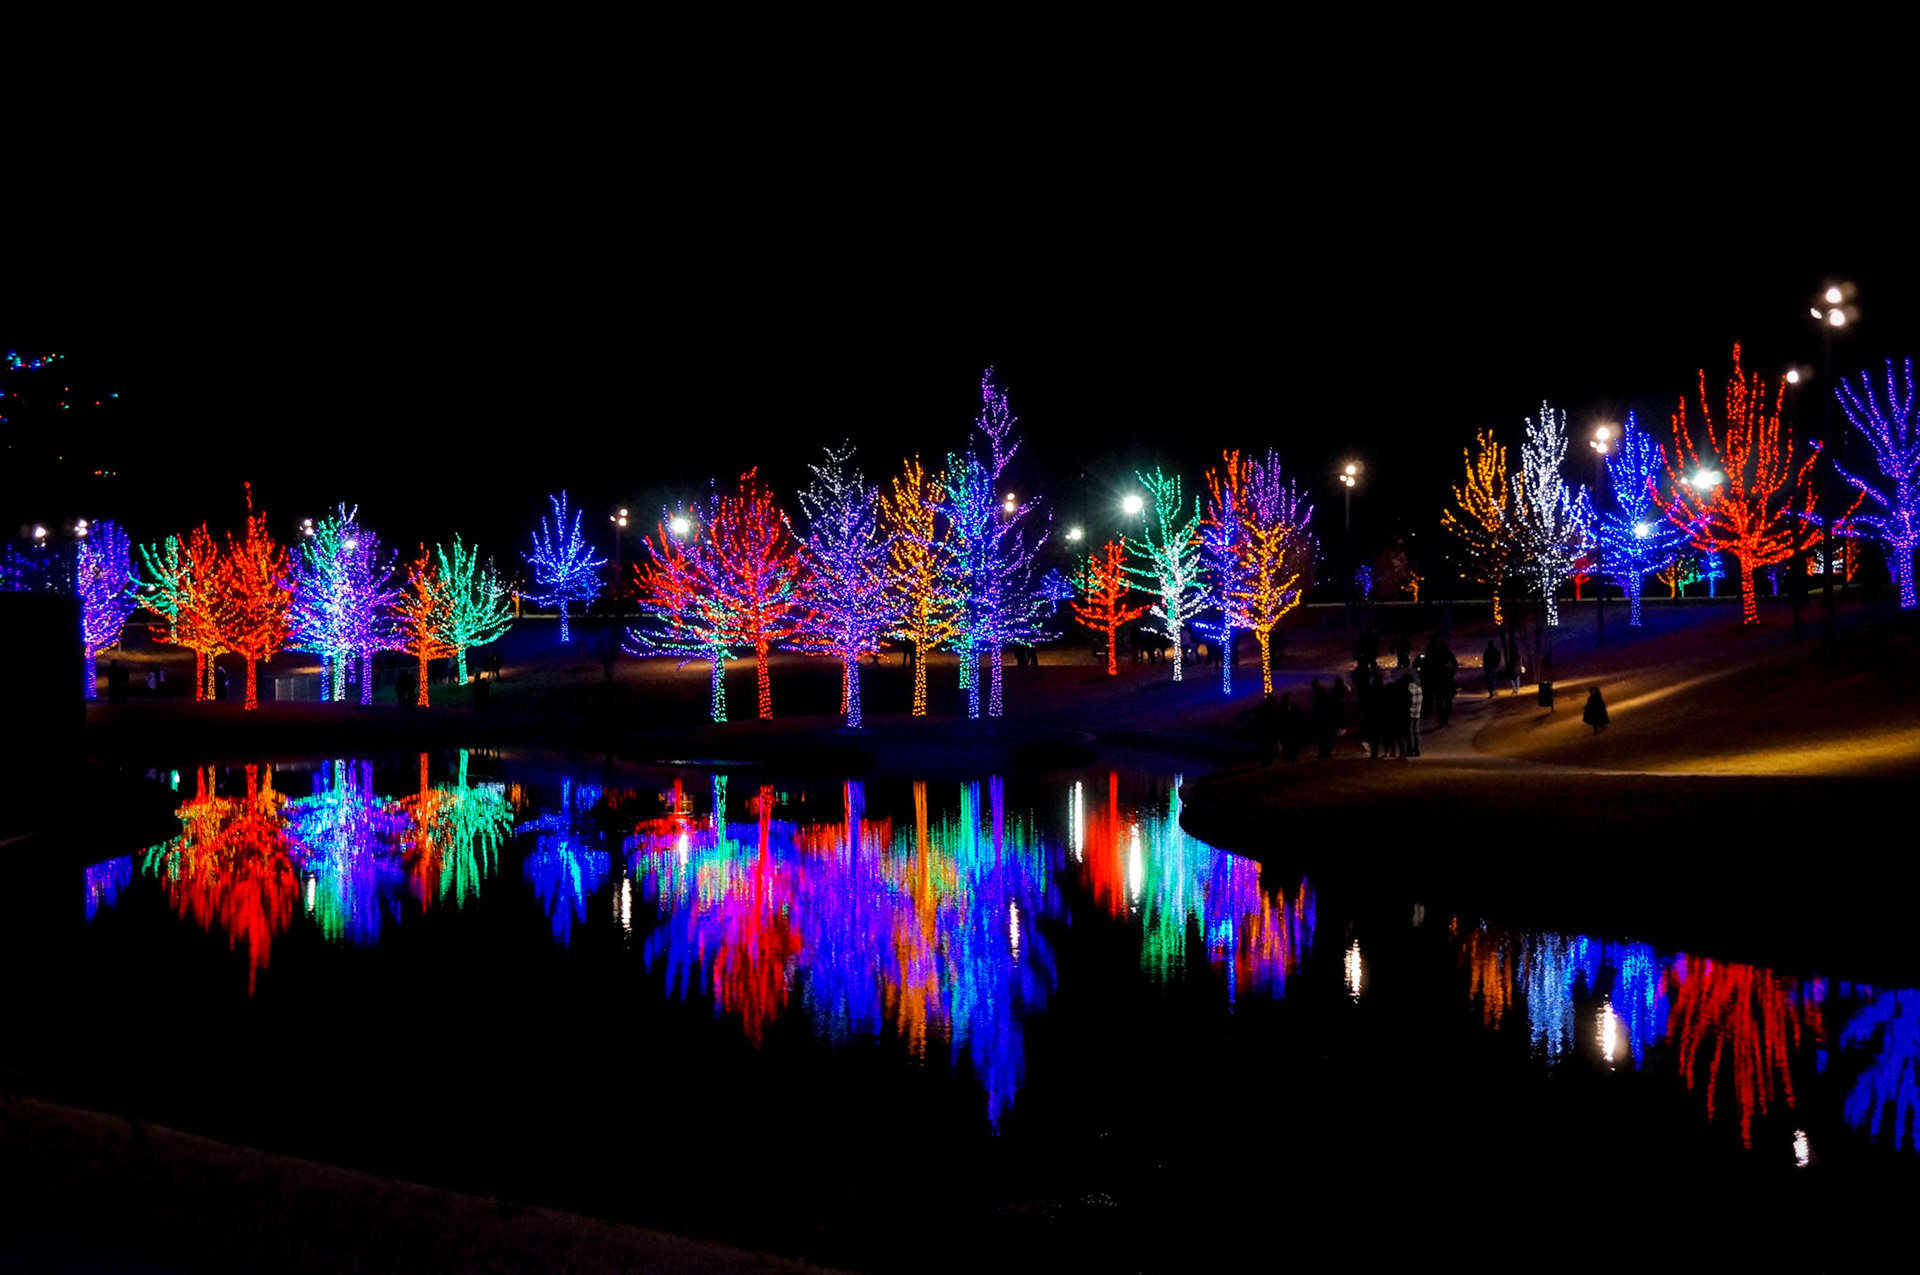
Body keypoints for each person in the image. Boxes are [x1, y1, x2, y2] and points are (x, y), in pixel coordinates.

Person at [1254, 692, 1280, 767]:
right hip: (1268, 731)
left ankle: (1267, 762)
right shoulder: (1269, 708)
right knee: (1268, 747)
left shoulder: (1265, 708)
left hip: (1267, 731)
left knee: (1267, 748)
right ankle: (1267, 762)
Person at [1311, 678, 1335, 759]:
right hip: (1326, 717)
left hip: (1322, 717)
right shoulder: (1320, 692)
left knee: (1324, 736)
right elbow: (1328, 702)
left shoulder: (1317, 693)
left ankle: (1324, 752)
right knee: (1328, 736)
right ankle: (1326, 752)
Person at [1279, 692, 1303, 762]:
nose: (1290, 699)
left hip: (1293, 729)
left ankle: (1293, 758)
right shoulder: (1282, 707)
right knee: (1287, 746)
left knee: (1294, 745)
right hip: (1286, 730)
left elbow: (1298, 716)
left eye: (1290, 698)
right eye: (1288, 698)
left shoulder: (1294, 706)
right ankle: (1287, 759)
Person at [1406, 670, 1424, 757]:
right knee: (1416, 731)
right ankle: (1417, 749)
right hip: (1417, 712)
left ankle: (1410, 750)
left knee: (1410, 732)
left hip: (1410, 713)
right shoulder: (1419, 689)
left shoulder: (1408, 690)